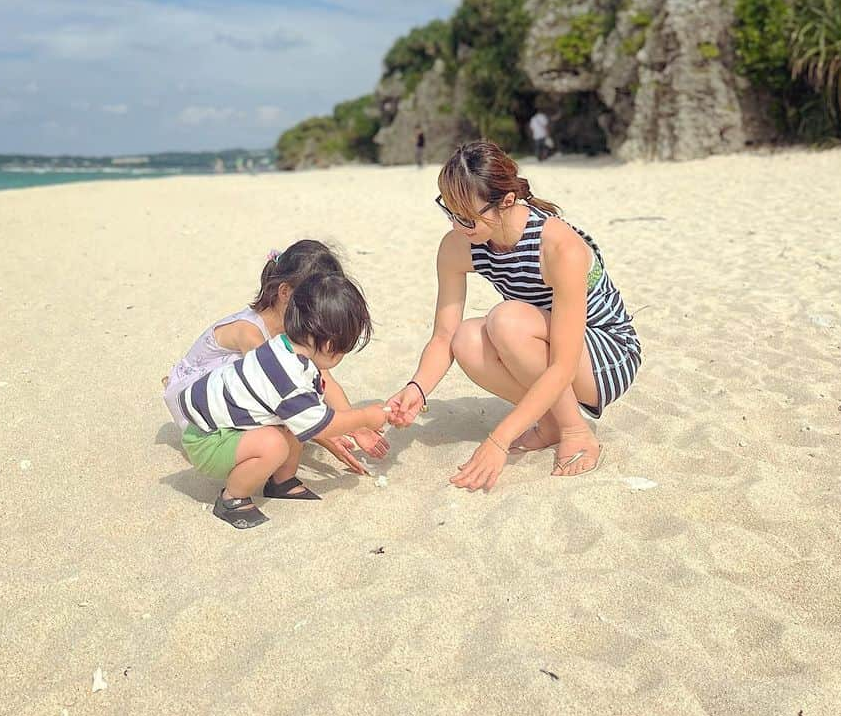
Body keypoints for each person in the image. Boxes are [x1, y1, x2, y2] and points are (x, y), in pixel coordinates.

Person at [387, 139, 640, 490]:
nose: (459, 226)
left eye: (468, 216)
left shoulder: (558, 247)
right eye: (449, 211)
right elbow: (444, 335)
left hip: (605, 354)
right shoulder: (459, 245)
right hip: (544, 341)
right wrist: (417, 387)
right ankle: (552, 422)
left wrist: (499, 439)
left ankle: (575, 431)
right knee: (466, 339)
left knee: (505, 321)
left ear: (506, 202)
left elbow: (564, 364)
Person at [178, 268, 396, 527]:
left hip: (220, 424)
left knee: (290, 426)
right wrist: (365, 417)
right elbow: (323, 425)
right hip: (206, 439)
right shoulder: (287, 376)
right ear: (329, 346)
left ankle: (282, 481)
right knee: (275, 444)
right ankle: (232, 499)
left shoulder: (284, 346)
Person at [163, 240, 389, 478]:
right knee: (282, 425)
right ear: (285, 292)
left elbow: (323, 376)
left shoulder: (299, 330)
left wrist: (357, 427)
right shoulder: (249, 333)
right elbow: (280, 395)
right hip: (197, 409)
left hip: (230, 392)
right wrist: (327, 435)